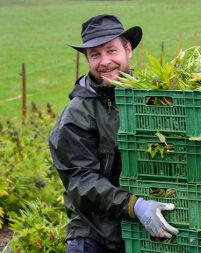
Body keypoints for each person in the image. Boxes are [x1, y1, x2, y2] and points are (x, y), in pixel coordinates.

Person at [49, 14, 179, 253]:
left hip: (139, 233)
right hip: (93, 235)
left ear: (128, 50)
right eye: (95, 55)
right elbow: (81, 180)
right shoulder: (77, 114)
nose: (105, 61)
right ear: (87, 59)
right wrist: (134, 206)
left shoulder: (149, 98)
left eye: (111, 51)